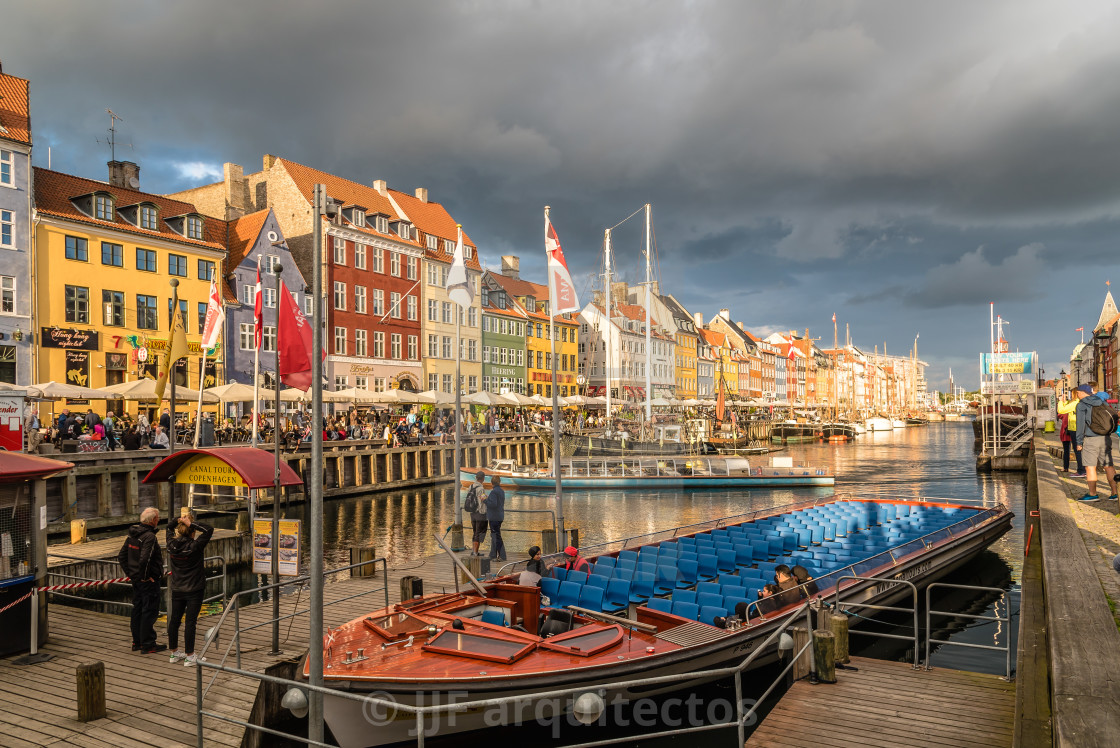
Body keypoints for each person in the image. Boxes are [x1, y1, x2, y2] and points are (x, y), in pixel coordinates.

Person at [166, 513, 214, 666]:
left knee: (174, 620)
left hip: (177, 587)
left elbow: (168, 527)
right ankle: (190, 655)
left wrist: (178, 520)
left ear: (179, 532)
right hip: (194, 588)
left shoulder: (171, 545)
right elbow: (209, 529)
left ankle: (174, 653)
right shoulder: (195, 546)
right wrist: (190, 523)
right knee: (190, 622)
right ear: (193, 532)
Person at [117, 507, 166, 653]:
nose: (158, 520)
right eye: (157, 518)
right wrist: (144, 577)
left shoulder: (133, 534)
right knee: (149, 611)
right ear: (153, 521)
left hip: (137, 580)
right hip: (147, 581)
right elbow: (145, 559)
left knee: (137, 609)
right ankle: (148, 643)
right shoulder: (149, 537)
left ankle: (137, 642)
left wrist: (133, 575)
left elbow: (122, 556)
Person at [1074, 384, 1119, 502]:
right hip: (1106, 438)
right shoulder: (1101, 401)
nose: (1077, 394)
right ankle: (1115, 493)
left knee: (1090, 466)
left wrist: (1079, 442)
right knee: (1108, 465)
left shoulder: (1082, 404)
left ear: (1083, 392)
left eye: (1078, 392)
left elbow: (1080, 425)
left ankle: (1093, 494)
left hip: (1091, 438)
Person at [1058, 396, 1086, 476]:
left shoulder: (1073, 406)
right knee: (1079, 450)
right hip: (1075, 430)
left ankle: (1079, 470)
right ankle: (1084, 469)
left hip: (1070, 431)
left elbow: (1060, 412)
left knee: (1072, 450)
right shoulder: (1079, 405)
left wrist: (1061, 402)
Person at [465, 471, 489, 556]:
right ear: (483, 478)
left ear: (476, 478)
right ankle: (475, 552)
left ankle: (474, 551)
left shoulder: (471, 486)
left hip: (472, 513)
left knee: (475, 531)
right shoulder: (481, 488)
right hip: (480, 513)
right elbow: (483, 500)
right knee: (479, 532)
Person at [483, 475, 506, 561]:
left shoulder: (493, 492)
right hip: (500, 516)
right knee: (495, 535)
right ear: (499, 482)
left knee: (496, 536)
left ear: (492, 483)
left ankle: (502, 555)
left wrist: (485, 500)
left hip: (494, 517)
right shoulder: (502, 491)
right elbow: (497, 503)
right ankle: (493, 554)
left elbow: (493, 504)